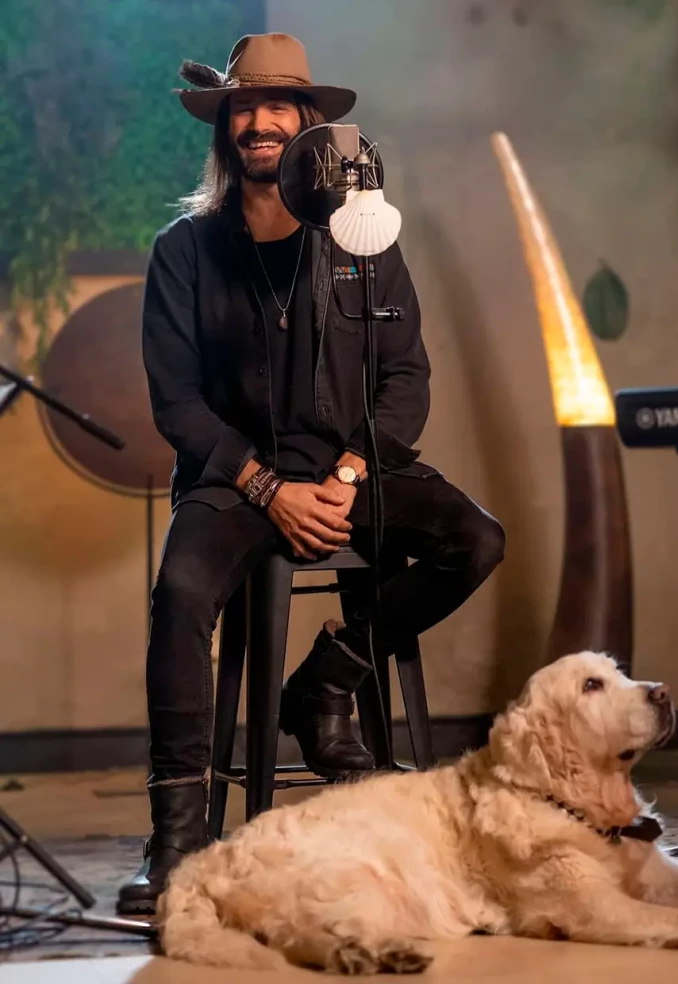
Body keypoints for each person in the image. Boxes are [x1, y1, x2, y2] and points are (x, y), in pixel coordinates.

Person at [117, 33, 505, 915]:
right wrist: (265, 487)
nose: (258, 121)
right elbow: (176, 404)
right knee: (180, 592)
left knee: (476, 539)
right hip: (235, 480)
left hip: (348, 471)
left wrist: (356, 472)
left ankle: (327, 679)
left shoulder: (367, 239)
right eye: (242, 109)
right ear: (226, 132)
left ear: (308, 129)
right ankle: (178, 834)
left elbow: (407, 378)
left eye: (277, 108)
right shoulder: (183, 251)